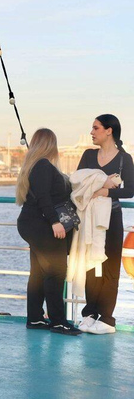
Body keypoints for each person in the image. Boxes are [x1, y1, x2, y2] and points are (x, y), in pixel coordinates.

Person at [15, 129, 80, 336]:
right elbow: (43, 197)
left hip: (33, 225)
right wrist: (55, 222)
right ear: (51, 144)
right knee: (56, 271)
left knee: (38, 273)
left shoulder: (36, 166)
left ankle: (34, 318)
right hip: (42, 225)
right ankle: (58, 321)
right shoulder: (43, 165)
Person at [75, 114, 134, 334]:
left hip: (112, 219)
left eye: (95, 128)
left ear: (109, 130)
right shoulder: (88, 155)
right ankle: (90, 314)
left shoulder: (124, 159)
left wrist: (106, 190)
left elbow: (130, 190)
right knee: (92, 265)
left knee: (109, 267)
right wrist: (99, 182)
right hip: (89, 219)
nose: (91, 132)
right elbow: (76, 180)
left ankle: (107, 319)